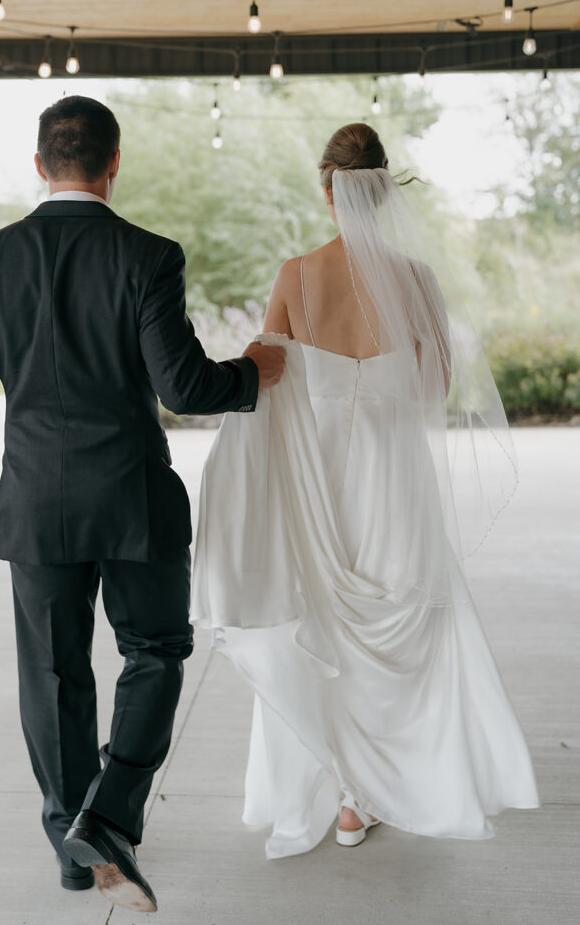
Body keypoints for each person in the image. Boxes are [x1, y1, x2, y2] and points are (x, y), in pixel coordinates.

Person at [0, 95, 285, 912]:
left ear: (37, 166)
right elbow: (185, 385)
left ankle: (73, 840)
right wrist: (254, 372)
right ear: (113, 163)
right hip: (132, 499)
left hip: (34, 501)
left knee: (53, 674)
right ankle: (110, 814)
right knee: (156, 651)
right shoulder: (148, 254)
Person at [191, 123, 540, 859]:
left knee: (318, 622)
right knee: (400, 614)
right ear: (383, 193)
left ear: (328, 193)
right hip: (391, 475)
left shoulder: (295, 274)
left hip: (318, 478)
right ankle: (375, 793)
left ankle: (332, 785)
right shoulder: (417, 280)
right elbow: (436, 389)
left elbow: (265, 379)